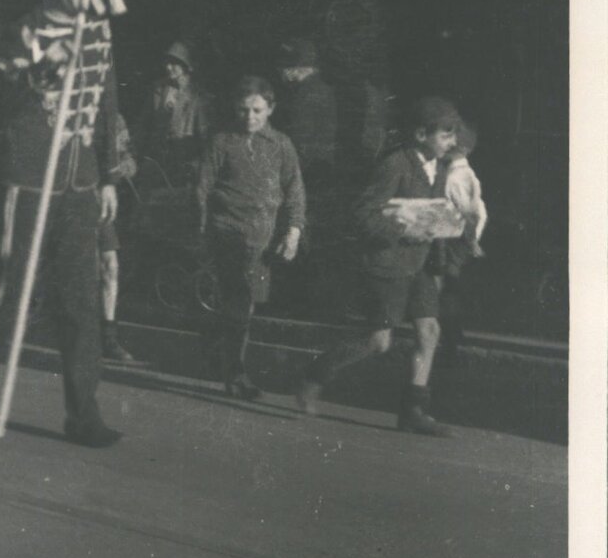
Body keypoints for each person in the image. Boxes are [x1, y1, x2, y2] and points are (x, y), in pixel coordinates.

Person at [0, 0, 125, 448]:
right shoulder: (21, 33)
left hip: (81, 179)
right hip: (30, 177)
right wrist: (38, 75)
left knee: (80, 299)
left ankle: (82, 412)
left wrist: (109, 174)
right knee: (14, 291)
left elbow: (108, 104)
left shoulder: (97, 30)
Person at [294, 96, 463, 435]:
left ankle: (413, 411)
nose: (453, 142)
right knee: (378, 342)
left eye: (453, 134)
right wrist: (401, 225)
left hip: (420, 266)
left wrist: (441, 255)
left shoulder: (440, 168)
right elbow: (363, 216)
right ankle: (315, 374)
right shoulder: (395, 164)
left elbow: (433, 214)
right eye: (445, 135)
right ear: (420, 134)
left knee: (429, 332)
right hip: (387, 266)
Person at [196, 77, 306, 400]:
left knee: (245, 305)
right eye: (243, 110)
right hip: (227, 232)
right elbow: (202, 190)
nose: (250, 118)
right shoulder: (222, 142)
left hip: (262, 239)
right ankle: (236, 374)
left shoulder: (281, 145)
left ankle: (226, 357)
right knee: (241, 300)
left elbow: (295, 191)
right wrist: (201, 234)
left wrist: (294, 231)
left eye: (257, 110)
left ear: (270, 109)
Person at [436, 118, 489, 364]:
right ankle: (450, 335)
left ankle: (450, 338)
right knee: (447, 286)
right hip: (457, 237)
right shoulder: (460, 173)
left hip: (454, 238)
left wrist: (470, 241)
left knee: (447, 286)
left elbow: (471, 212)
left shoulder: (457, 177)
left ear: (464, 149)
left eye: (453, 145)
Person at [98, 108, 139, 363]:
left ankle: (108, 338)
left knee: (110, 265)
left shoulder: (114, 119)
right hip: (64, 198)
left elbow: (129, 159)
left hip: (96, 200)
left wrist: (114, 174)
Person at [274, 37, 340, 197]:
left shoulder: (304, 96)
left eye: (282, 68)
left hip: (308, 169)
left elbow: (301, 138)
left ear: (294, 69)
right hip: (322, 165)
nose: (280, 74)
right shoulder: (322, 88)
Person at [144, 40, 207, 177]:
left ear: (185, 66)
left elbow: (204, 135)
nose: (168, 67)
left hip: (184, 164)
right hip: (157, 161)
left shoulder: (197, 96)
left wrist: (196, 164)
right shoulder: (158, 89)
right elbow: (145, 123)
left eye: (174, 63)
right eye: (167, 62)